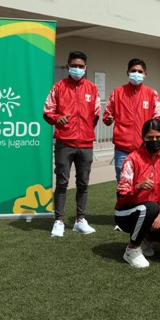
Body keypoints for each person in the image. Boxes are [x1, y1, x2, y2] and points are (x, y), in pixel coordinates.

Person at [43, 51, 100, 237]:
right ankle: (58, 221)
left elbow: (96, 115)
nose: (77, 69)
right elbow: (47, 111)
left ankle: (80, 220)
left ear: (86, 68)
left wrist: (84, 132)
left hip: (85, 144)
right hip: (64, 143)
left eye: (81, 66)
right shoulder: (58, 87)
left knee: (83, 183)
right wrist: (57, 119)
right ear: (68, 66)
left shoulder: (92, 88)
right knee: (62, 183)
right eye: (74, 66)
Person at [114, 119, 160, 268]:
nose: (154, 141)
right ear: (143, 138)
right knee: (151, 207)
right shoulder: (132, 159)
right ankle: (132, 249)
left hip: (152, 212)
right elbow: (121, 196)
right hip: (126, 213)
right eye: (150, 137)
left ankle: (145, 237)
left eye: (158, 137)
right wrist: (137, 187)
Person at [103, 58, 160, 182]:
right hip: (122, 149)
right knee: (123, 183)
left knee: (145, 182)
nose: (136, 74)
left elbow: (158, 118)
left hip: (145, 148)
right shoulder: (117, 93)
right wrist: (109, 118)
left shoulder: (152, 94)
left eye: (140, 72)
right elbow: (106, 118)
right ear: (128, 73)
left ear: (145, 74)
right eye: (133, 70)